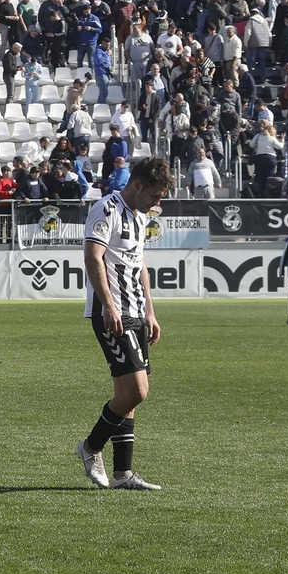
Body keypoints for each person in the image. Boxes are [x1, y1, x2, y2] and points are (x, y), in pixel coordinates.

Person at [75, 156, 172, 492]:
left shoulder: (139, 217)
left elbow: (139, 265)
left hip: (136, 313)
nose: (158, 203)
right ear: (138, 184)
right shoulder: (107, 209)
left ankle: (123, 474)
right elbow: (92, 256)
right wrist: (108, 306)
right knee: (137, 391)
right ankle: (90, 447)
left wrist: (150, 311)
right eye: (155, 196)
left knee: (127, 395)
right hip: (112, 314)